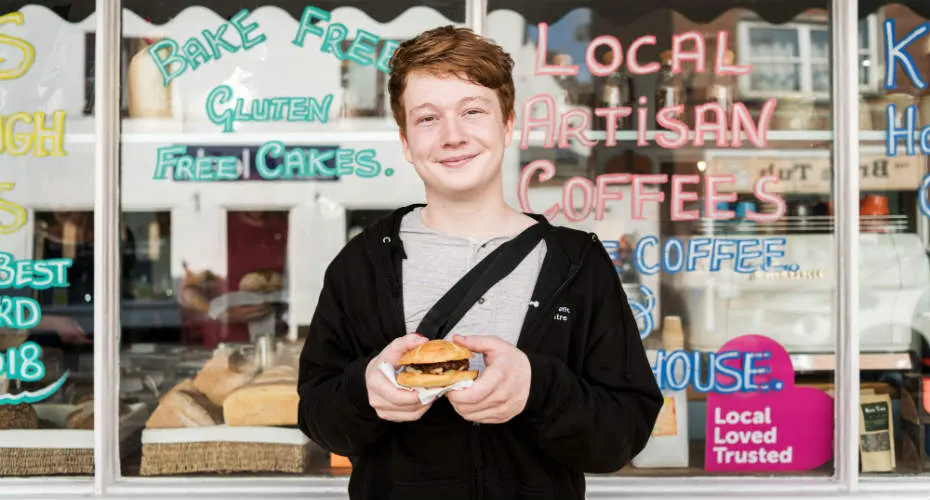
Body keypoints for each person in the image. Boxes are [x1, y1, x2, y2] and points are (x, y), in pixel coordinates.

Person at [297, 26, 663, 500]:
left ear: (507, 124)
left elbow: (624, 433)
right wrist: (363, 393)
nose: (453, 136)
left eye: (472, 111)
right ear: (406, 142)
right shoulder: (362, 263)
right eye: (428, 119)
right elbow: (316, 416)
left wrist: (537, 388)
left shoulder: (577, 263)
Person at [177, 211, 288, 348]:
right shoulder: (218, 225)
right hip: (226, 343)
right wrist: (219, 312)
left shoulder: (285, 225)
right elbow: (187, 291)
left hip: (277, 341)